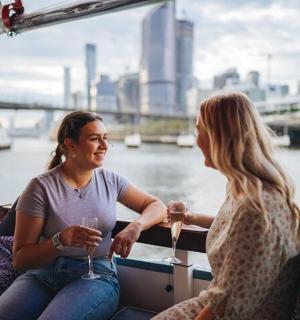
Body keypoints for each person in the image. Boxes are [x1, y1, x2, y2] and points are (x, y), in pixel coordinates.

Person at [0, 111, 166, 320]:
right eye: (95, 139)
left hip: (96, 275)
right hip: (41, 275)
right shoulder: (40, 187)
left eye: (105, 138)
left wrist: (135, 226)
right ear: (71, 145)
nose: (104, 145)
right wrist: (61, 240)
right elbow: (20, 259)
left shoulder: (111, 180)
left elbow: (157, 206)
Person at [152, 92, 300, 320]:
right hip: (215, 301)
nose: (196, 137)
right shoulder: (240, 189)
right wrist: (191, 218)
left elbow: (227, 310)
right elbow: (237, 231)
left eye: (198, 129)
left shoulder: (257, 209)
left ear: (219, 136)